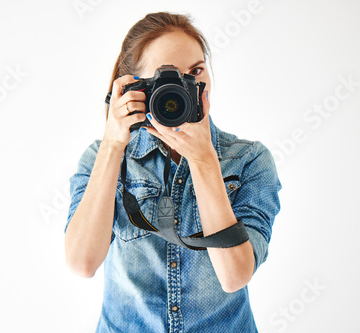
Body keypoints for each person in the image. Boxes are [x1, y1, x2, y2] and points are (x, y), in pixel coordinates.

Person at [64, 11, 281, 332]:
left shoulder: (249, 160)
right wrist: (113, 144)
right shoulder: (102, 156)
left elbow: (235, 276)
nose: (183, 89)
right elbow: (82, 263)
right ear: (134, 88)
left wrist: (205, 161)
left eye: (195, 72)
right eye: (166, 81)